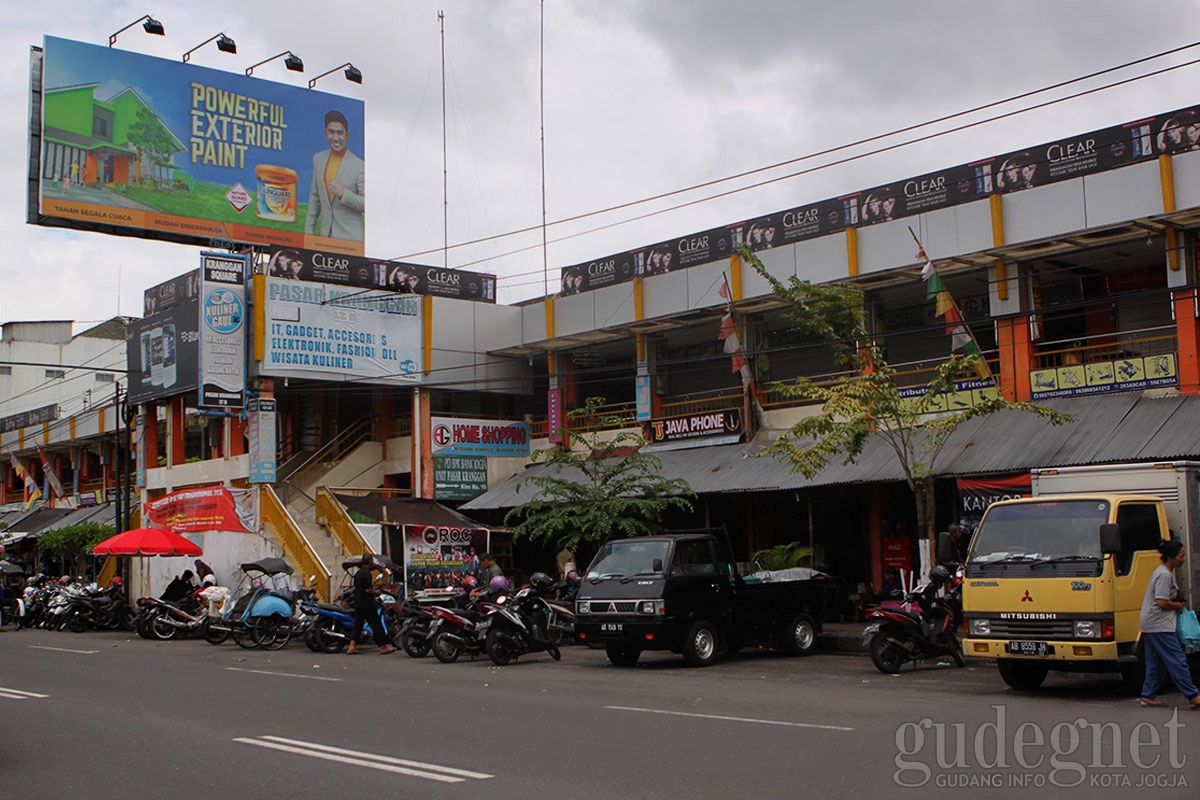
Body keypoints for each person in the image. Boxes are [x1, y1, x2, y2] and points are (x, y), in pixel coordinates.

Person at [1138, 540, 1200, 709]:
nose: (1184, 559)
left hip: (1149, 624)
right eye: (1181, 555)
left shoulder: (1162, 572)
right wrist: (1178, 606)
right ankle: (1193, 696)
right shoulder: (1165, 575)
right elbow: (1161, 602)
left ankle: (1148, 695)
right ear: (1171, 557)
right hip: (1160, 624)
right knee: (1177, 659)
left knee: (1155, 662)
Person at [304, 110, 365, 242]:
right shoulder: (318, 159)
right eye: (331, 132)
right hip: (325, 240)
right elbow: (314, 198)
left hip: (351, 241)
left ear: (347, 135)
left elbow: (366, 204)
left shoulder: (359, 166)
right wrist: (308, 234)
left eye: (340, 133)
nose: (335, 137)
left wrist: (343, 193)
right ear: (325, 133)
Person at [346, 559, 396, 655]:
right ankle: (383, 646)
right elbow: (368, 590)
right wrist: (376, 592)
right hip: (367, 603)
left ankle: (351, 646)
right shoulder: (367, 574)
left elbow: (356, 587)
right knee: (376, 624)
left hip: (358, 602)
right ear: (369, 562)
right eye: (372, 561)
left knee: (358, 624)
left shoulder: (358, 573)